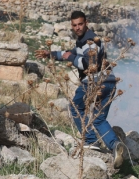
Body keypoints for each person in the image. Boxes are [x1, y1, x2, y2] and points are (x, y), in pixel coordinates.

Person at [34, 11, 124, 168]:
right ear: (71, 25)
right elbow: (69, 53)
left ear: (86, 22)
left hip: (95, 81)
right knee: (98, 118)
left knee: (75, 107)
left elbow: (89, 64)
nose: (77, 27)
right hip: (108, 81)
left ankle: (90, 140)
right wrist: (50, 54)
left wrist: (70, 57)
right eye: (74, 25)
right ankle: (115, 146)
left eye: (80, 24)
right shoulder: (82, 42)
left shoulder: (91, 40)